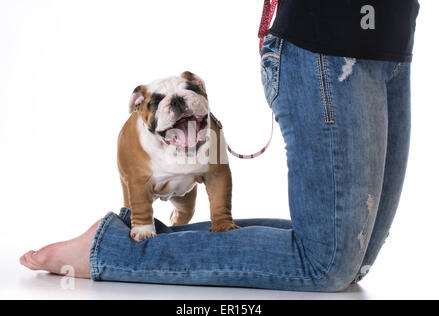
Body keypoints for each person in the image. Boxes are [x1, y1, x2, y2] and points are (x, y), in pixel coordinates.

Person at [20, 0, 420, 291]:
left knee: (356, 260)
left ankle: (131, 235)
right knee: (328, 266)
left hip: (392, 46)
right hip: (327, 50)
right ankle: (109, 250)